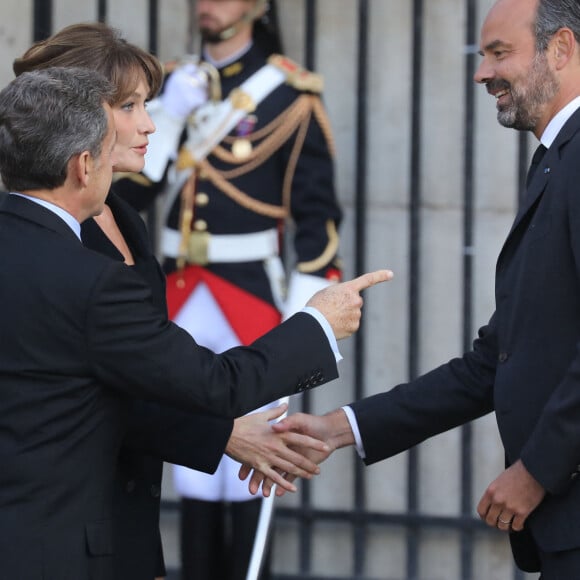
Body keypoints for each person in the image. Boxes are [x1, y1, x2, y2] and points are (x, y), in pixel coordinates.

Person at [0, 67, 391, 579]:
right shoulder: (94, 284)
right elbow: (215, 384)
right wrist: (318, 322)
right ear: (83, 165)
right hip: (57, 553)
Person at [257, 0, 580, 577]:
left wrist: (536, 472)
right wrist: (341, 427)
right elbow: (495, 362)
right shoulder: (558, 161)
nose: (482, 73)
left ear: (562, 50)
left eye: (499, 53)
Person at [114, 1, 343, 578]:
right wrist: (166, 116)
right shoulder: (169, 86)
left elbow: (317, 217)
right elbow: (128, 199)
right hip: (179, 289)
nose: (205, 5)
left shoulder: (291, 94)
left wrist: (306, 315)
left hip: (249, 293)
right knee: (193, 455)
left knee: (253, 454)